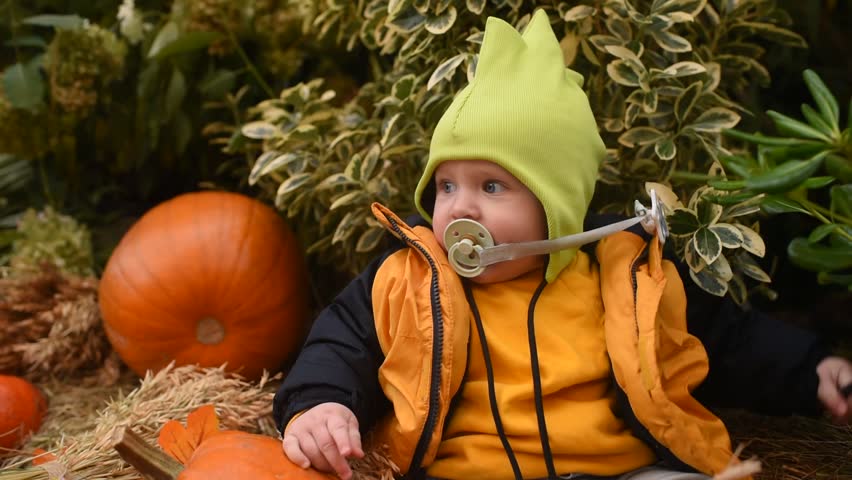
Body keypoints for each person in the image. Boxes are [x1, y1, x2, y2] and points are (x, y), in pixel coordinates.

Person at [273, 10, 852, 480]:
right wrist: (323, 403)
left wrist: (810, 370)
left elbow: (726, 340)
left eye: (492, 186)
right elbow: (339, 342)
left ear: (557, 208)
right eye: (446, 185)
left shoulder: (622, 278)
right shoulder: (407, 280)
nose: (460, 206)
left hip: (619, 471)